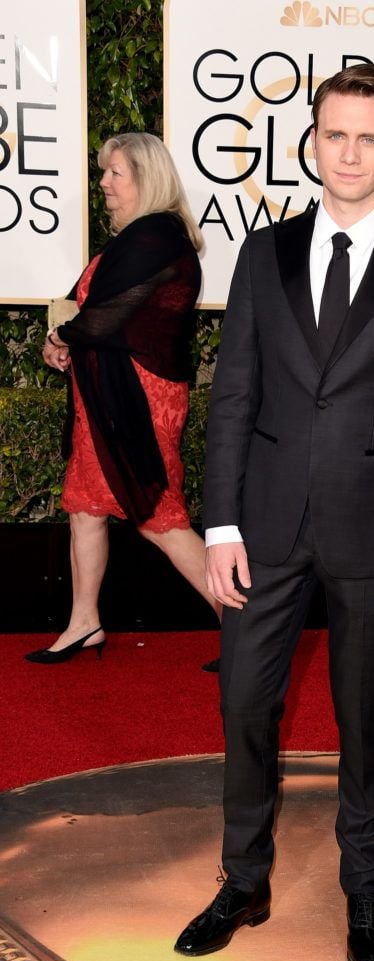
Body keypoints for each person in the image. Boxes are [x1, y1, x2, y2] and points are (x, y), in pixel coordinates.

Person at [173, 63, 374, 961]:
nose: (348, 153)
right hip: (261, 528)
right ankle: (243, 879)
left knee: (362, 717)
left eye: (367, 137)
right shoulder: (261, 255)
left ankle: (361, 887)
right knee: (243, 706)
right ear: (311, 142)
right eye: (333, 135)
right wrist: (219, 525)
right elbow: (233, 398)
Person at [26, 133, 219, 665]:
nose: (104, 182)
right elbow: (82, 309)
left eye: (115, 173)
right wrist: (58, 340)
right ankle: (84, 622)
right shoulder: (132, 241)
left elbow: (110, 318)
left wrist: (66, 337)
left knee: (160, 517)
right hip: (103, 395)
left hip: (138, 396)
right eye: (104, 172)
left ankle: (242, 622)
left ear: (146, 177)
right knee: (85, 509)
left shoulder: (157, 238)